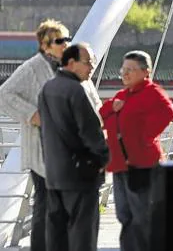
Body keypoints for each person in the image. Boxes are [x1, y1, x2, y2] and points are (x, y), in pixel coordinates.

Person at [0, 19, 71, 251]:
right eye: (60, 40)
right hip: (41, 148)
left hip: (60, 147)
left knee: (57, 202)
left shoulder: (63, 67)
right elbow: (5, 93)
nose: (65, 44)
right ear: (45, 44)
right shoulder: (33, 67)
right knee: (46, 202)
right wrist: (32, 115)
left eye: (67, 39)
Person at [100, 50, 173, 250]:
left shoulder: (152, 92)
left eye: (130, 70)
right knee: (124, 215)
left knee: (140, 216)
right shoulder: (122, 94)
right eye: (123, 69)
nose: (125, 74)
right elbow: (102, 115)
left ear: (145, 72)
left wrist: (144, 137)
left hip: (142, 165)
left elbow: (168, 112)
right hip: (120, 165)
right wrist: (111, 108)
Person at [37, 43, 109, 251]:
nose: (91, 67)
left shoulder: (47, 88)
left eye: (94, 63)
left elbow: (45, 131)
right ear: (70, 63)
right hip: (81, 175)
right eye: (87, 62)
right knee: (82, 235)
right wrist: (102, 159)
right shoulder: (77, 91)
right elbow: (91, 132)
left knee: (57, 234)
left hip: (54, 173)